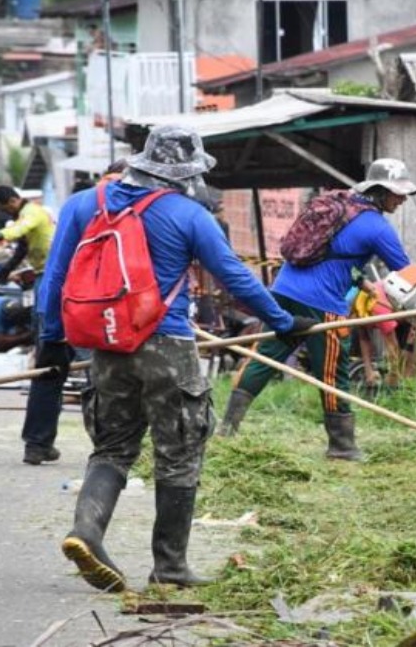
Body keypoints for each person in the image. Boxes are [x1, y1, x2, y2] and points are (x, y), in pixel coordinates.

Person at [37, 125, 313, 592]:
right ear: (187, 173)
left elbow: (55, 276)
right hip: (166, 344)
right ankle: (169, 566)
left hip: (105, 344)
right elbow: (233, 276)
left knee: (112, 447)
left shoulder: (84, 204)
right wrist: (283, 321)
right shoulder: (189, 214)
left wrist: (51, 339)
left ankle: (86, 530)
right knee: (179, 452)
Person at [217, 159, 416, 460]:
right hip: (321, 304)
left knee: (264, 358)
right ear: (380, 191)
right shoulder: (377, 227)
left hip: (282, 292)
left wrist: (359, 280)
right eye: (398, 193)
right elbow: (405, 273)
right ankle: (342, 446)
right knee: (334, 372)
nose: (402, 199)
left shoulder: (341, 207)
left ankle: (227, 429)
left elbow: (332, 254)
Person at [0, 185, 59, 464]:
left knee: (48, 365)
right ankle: (39, 444)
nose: (5, 215)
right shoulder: (32, 214)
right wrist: (4, 271)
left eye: (4, 209)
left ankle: (38, 443)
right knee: (51, 363)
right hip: (49, 280)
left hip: (51, 280)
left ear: (12, 201)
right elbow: (23, 247)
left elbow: (20, 230)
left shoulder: (33, 212)